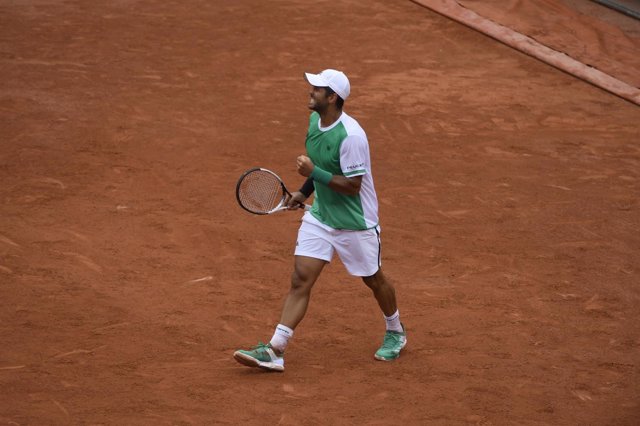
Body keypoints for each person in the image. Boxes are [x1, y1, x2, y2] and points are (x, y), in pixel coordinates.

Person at [233, 69, 406, 372]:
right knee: (301, 278)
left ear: (333, 97)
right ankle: (275, 349)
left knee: (373, 279)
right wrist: (302, 192)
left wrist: (312, 173)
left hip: (355, 223)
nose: (311, 92)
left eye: (317, 89)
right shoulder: (315, 121)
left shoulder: (352, 137)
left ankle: (396, 331)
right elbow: (323, 167)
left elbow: (352, 186)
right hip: (321, 217)